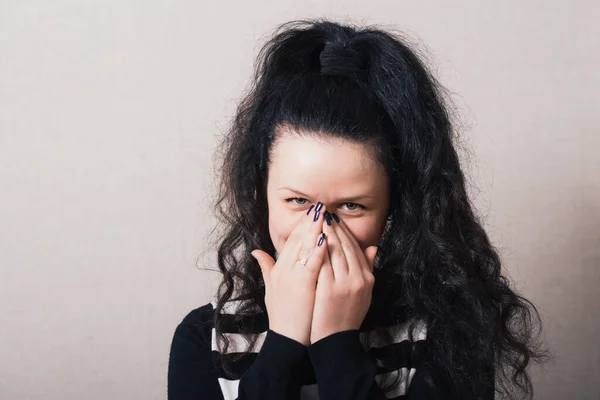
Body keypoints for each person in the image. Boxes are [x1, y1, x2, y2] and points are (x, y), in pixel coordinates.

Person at [167, 18, 549, 400]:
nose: (319, 231)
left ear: (393, 209)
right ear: (262, 195)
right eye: (297, 201)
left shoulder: (444, 337)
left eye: (351, 206)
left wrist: (337, 343)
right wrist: (283, 342)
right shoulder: (206, 338)